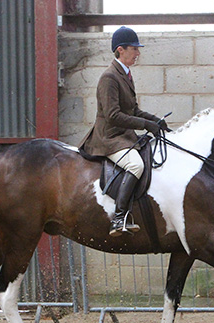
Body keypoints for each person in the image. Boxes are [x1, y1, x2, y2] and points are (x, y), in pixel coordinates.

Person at [79, 26, 169, 237]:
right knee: (136, 165)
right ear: (121, 49)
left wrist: (155, 120)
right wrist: (146, 125)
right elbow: (113, 115)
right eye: (134, 49)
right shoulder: (109, 77)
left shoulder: (125, 74)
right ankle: (119, 218)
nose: (138, 53)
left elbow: (133, 110)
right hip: (109, 137)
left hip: (124, 136)